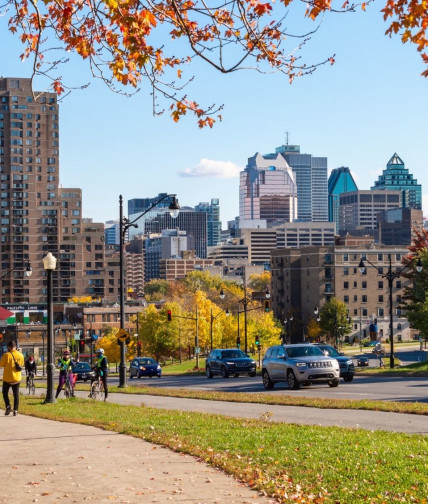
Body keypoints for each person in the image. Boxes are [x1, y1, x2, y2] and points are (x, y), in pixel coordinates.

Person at [0, 340, 24, 416]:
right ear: (16, 347)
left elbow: (1, 364)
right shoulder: (21, 355)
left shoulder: (6, 355)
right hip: (17, 378)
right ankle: (16, 410)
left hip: (8, 378)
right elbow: (21, 365)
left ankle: (8, 406)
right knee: (16, 395)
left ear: (9, 347)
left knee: (4, 393)